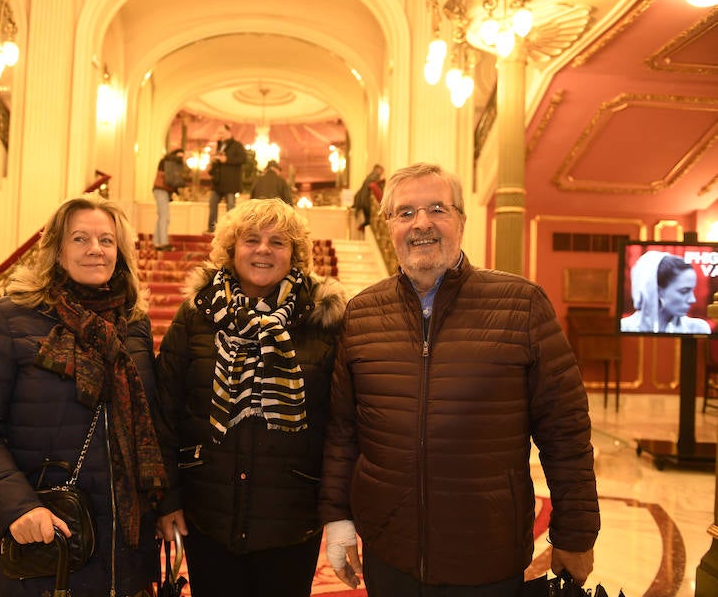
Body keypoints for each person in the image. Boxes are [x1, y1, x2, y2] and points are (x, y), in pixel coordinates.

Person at [319, 163, 600, 596]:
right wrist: (338, 520)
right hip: (390, 553)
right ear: (389, 225)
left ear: (462, 222)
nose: (422, 223)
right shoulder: (360, 313)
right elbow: (343, 431)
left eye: (437, 209)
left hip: (488, 554)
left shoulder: (521, 305)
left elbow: (565, 431)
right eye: (406, 212)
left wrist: (576, 533)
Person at [0, 195, 168, 597]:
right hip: (49, 534)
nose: (95, 250)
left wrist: (167, 502)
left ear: (119, 252)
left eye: (106, 240)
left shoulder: (132, 323)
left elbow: (150, 425)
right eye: (80, 239)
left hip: (126, 544)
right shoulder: (13, 317)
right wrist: (17, 507)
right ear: (56, 250)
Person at [154, 198, 347, 597]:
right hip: (207, 513)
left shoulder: (322, 322)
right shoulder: (195, 317)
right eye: (251, 240)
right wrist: (167, 497)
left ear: (294, 254)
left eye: (278, 241)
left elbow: (339, 422)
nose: (263, 249)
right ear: (231, 249)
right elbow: (165, 413)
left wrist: (335, 508)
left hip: (292, 517)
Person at [620, 250, 712, 334]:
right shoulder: (625, 327)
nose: (692, 300)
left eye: (692, 290)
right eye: (684, 291)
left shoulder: (698, 328)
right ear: (658, 291)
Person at [206, 123, 247, 233]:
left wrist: (227, 160)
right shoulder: (218, 146)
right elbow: (218, 163)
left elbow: (244, 159)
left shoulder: (237, 145)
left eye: (222, 133)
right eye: (218, 133)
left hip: (230, 183)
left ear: (229, 132)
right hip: (217, 182)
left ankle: (231, 230)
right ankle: (212, 229)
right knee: (212, 204)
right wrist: (212, 165)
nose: (220, 135)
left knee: (231, 208)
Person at [152, 148, 187, 251]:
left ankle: (157, 243)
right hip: (161, 190)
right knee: (165, 218)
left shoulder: (167, 161)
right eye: (180, 156)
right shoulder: (170, 161)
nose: (181, 158)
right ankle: (163, 243)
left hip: (160, 191)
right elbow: (171, 179)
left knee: (161, 217)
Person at [352, 164, 384, 231]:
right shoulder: (375, 175)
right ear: (377, 169)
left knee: (367, 220)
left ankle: (363, 227)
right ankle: (363, 228)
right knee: (368, 220)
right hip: (366, 200)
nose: (381, 173)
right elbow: (374, 185)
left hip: (362, 199)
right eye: (381, 171)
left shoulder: (369, 176)